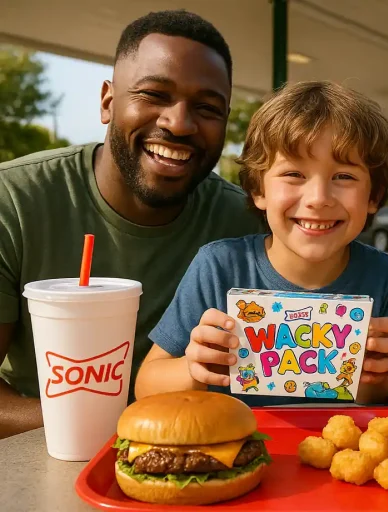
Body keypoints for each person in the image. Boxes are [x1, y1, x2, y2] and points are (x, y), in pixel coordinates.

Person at [0, 10, 263, 439]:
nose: (178, 122)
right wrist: (119, 427)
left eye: (207, 107)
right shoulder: (13, 200)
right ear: (108, 101)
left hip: (203, 461)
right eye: (154, 94)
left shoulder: (245, 225)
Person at [134, 81, 388, 405]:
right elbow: (145, 386)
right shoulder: (219, 267)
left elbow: (380, 400)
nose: (318, 199)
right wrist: (194, 368)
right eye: (294, 174)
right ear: (258, 190)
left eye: (344, 177)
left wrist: (371, 376)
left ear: (373, 196)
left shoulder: (383, 275)